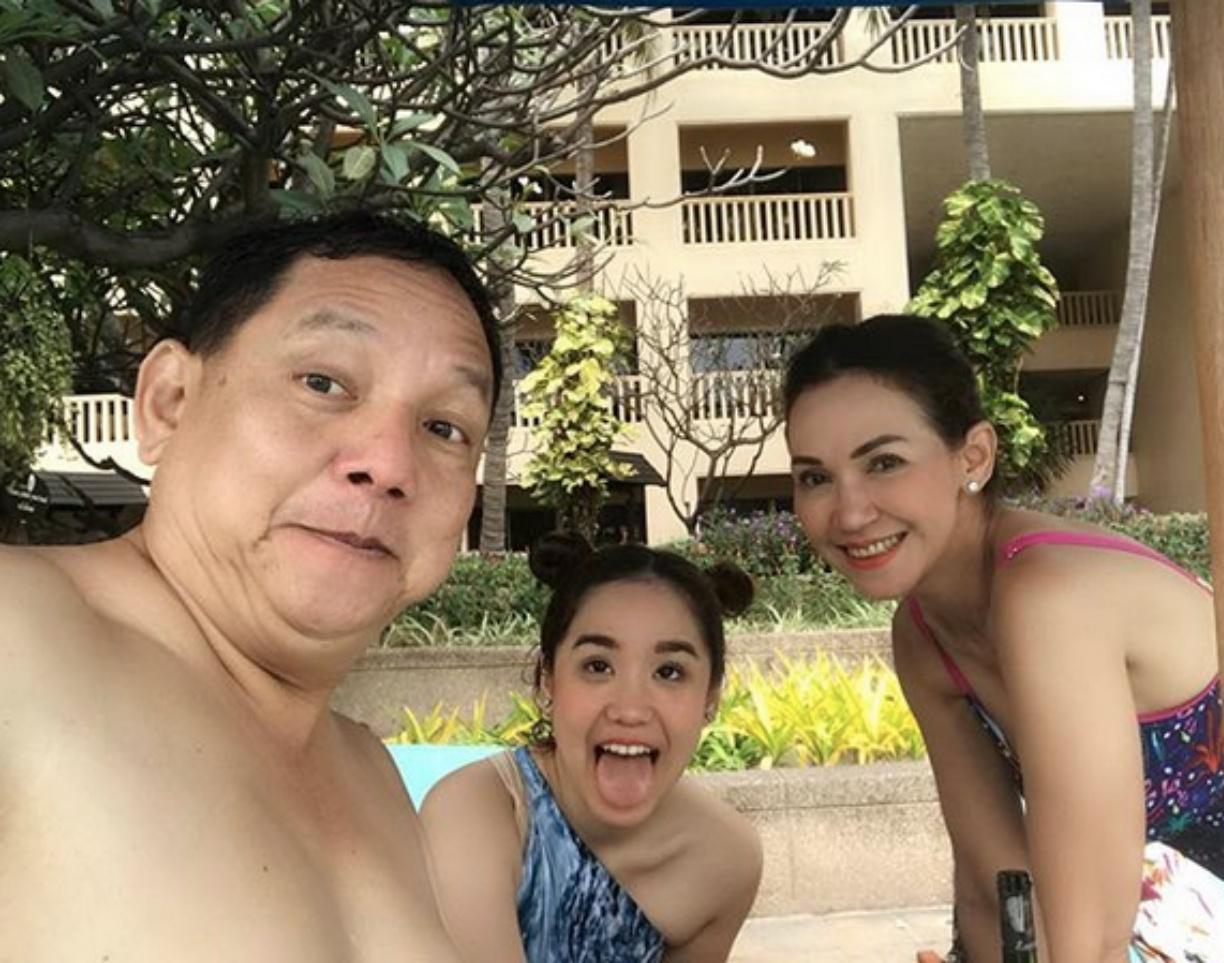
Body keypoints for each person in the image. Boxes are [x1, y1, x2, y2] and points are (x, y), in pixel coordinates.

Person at [0, 212, 502, 962]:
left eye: (444, 427)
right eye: (323, 382)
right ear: (169, 400)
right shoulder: (19, 636)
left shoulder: (371, 774)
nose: (389, 464)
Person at [783, 316, 1224, 963]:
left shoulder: (1049, 595)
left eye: (884, 463)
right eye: (815, 477)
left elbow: (1091, 942)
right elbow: (994, 888)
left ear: (973, 457)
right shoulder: (922, 634)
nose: (850, 513)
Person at [419, 534, 764, 962]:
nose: (630, 710)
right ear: (548, 680)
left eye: (669, 672)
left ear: (710, 696)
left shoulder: (723, 859)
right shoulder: (478, 811)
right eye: (598, 666)